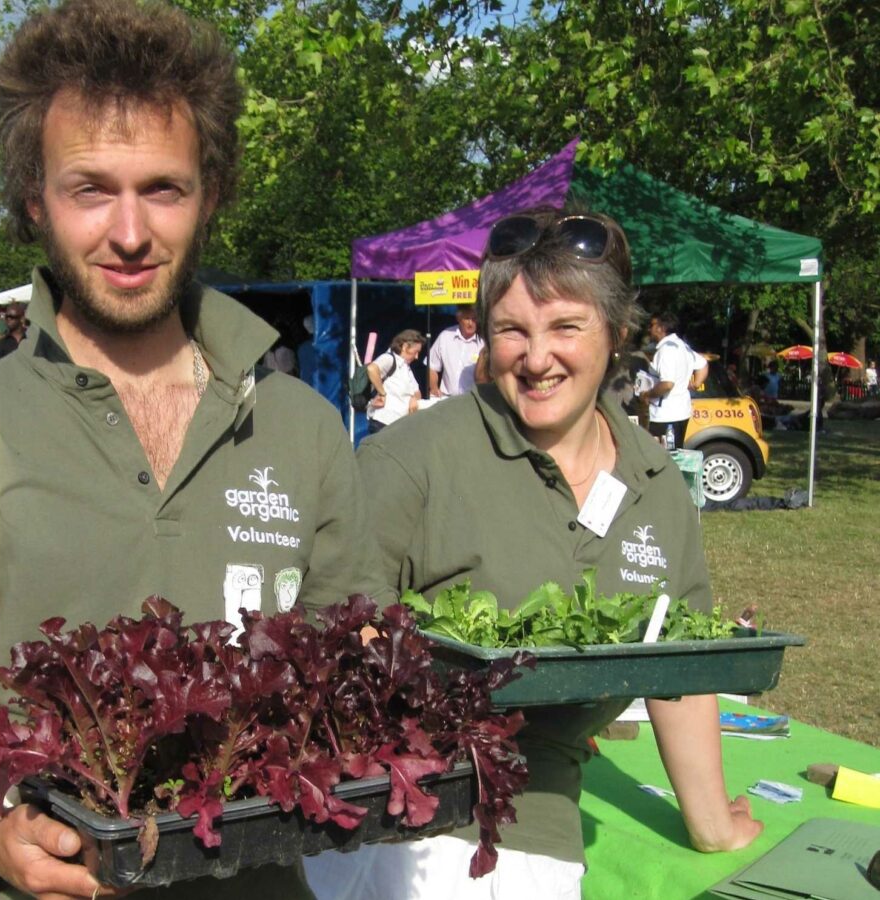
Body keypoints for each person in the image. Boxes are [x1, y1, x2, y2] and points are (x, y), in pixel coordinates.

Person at [0, 3, 382, 899]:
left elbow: (342, 682)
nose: (129, 233)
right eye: (91, 188)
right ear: (34, 200)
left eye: (163, 188)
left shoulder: (300, 427)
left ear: (210, 194)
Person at [308, 209, 762, 900]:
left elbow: (677, 662)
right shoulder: (413, 459)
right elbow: (332, 635)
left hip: (538, 827)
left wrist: (712, 826)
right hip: (404, 830)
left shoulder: (655, 481)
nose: (537, 356)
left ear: (615, 334)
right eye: (512, 329)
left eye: (565, 327)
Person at [639, 311, 698, 447]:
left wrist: (648, 394)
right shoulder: (683, 346)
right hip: (681, 411)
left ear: (662, 328)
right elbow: (703, 364)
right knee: (675, 454)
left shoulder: (666, 350)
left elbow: (667, 384)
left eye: (652, 325)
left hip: (666, 415)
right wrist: (696, 383)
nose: (649, 329)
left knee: (661, 457)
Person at [365, 329, 425, 433]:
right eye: (416, 352)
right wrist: (382, 393)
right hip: (383, 422)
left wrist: (413, 399)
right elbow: (372, 369)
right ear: (405, 347)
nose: (417, 357)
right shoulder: (389, 359)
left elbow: (416, 391)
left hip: (399, 424)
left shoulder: (406, 367)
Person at [428, 303, 484, 397]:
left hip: (472, 399)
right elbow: (431, 366)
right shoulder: (446, 336)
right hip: (446, 399)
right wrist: (434, 389)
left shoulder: (484, 342)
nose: (471, 323)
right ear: (459, 318)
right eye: (467, 318)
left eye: (474, 319)